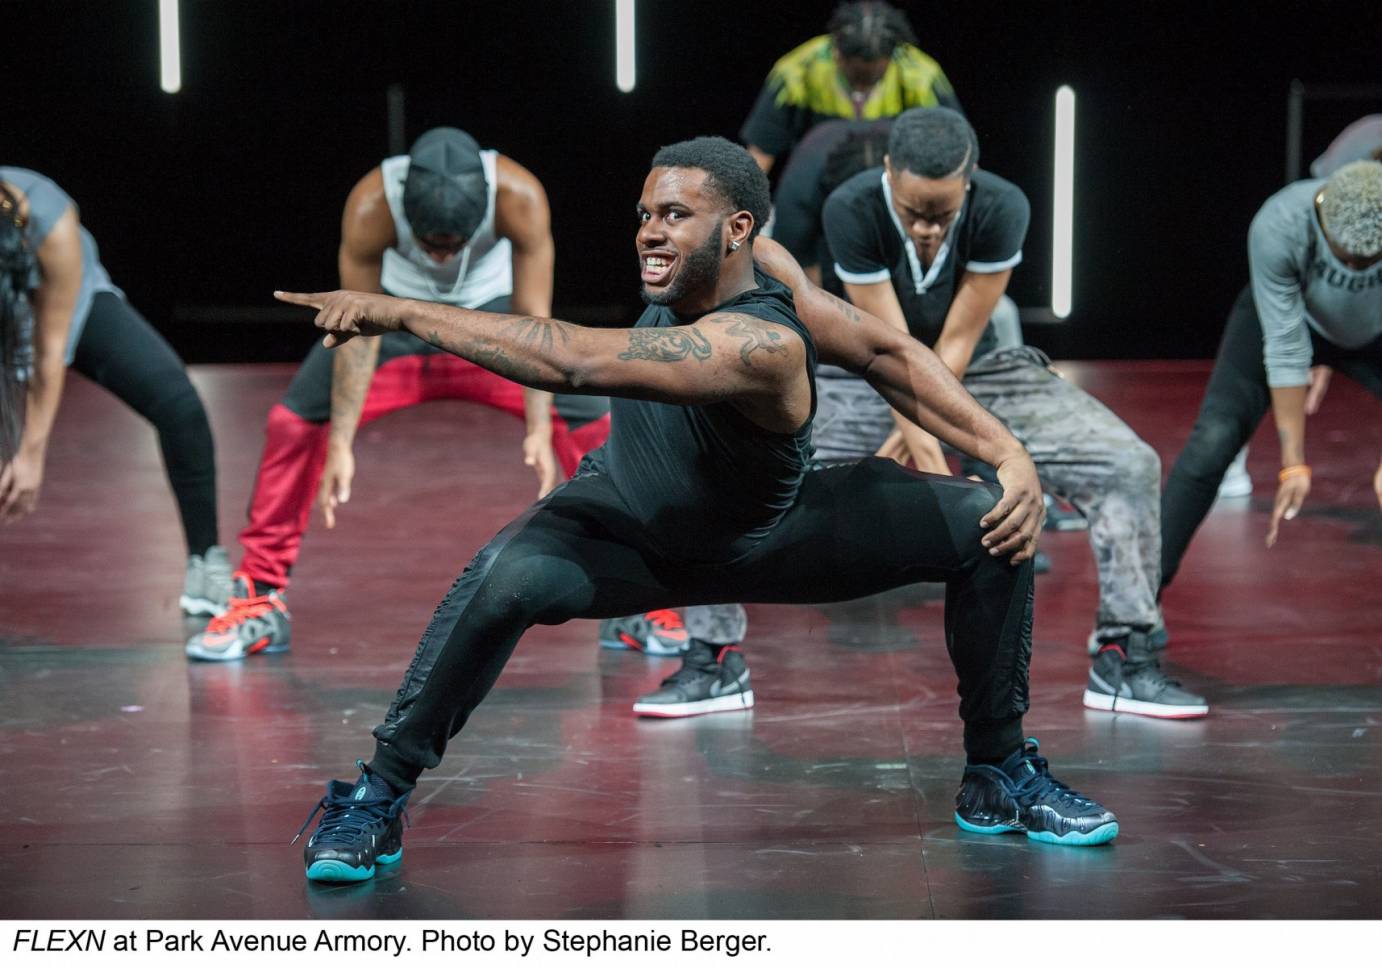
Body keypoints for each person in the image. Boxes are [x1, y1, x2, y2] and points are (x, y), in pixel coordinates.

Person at [288, 137, 1119, 882]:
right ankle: (376, 796)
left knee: (989, 526)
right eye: (646, 213)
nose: (649, 230)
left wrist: (399, 312)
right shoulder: (724, 276)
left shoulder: (760, 338)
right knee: (499, 581)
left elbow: (577, 361)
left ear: (738, 231)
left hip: (777, 536)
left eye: (676, 215)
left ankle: (999, 772)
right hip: (625, 529)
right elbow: (882, 350)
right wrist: (1008, 449)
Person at [817, 107, 1208, 719]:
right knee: (729, 444)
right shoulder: (851, 207)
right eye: (914, 211)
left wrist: (929, 441)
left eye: (942, 214)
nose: (926, 229)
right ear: (888, 172)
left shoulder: (1003, 207)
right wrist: (942, 487)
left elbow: (953, 350)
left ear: (969, 182)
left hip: (980, 370)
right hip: (860, 373)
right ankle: (711, 656)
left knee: (1126, 463)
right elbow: (888, 354)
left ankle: (1124, 652)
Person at [185, 128, 611, 661]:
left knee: (597, 418)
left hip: (493, 323)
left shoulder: (518, 196)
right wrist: (340, 440)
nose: (440, 258)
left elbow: (535, 319)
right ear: (407, 215)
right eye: (431, 246)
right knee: (293, 423)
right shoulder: (371, 205)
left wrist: (537, 423)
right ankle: (260, 598)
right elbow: (354, 326)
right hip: (391, 322)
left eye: (452, 247)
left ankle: (632, 604)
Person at [0, 168, 228, 615]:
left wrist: (29, 453)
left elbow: (48, 353)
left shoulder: (51, 218)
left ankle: (206, 564)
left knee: (179, 406)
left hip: (63, 304)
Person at [1159, 159, 1382, 603]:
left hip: (1374, 332)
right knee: (1213, 440)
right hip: (1292, 318)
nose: (1359, 268)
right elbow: (1285, 346)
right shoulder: (1280, 224)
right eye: (1350, 259)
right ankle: (1133, 613)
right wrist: (1293, 461)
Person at [740, 1, 960, 175]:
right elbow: (762, 149)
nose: (862, 89)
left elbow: (956, 147)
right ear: (836, 53)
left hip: (891, 178)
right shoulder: (797, 70)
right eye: (855, 76)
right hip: (817, 178)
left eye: (873, 77)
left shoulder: (922, 75)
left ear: (892, 56)